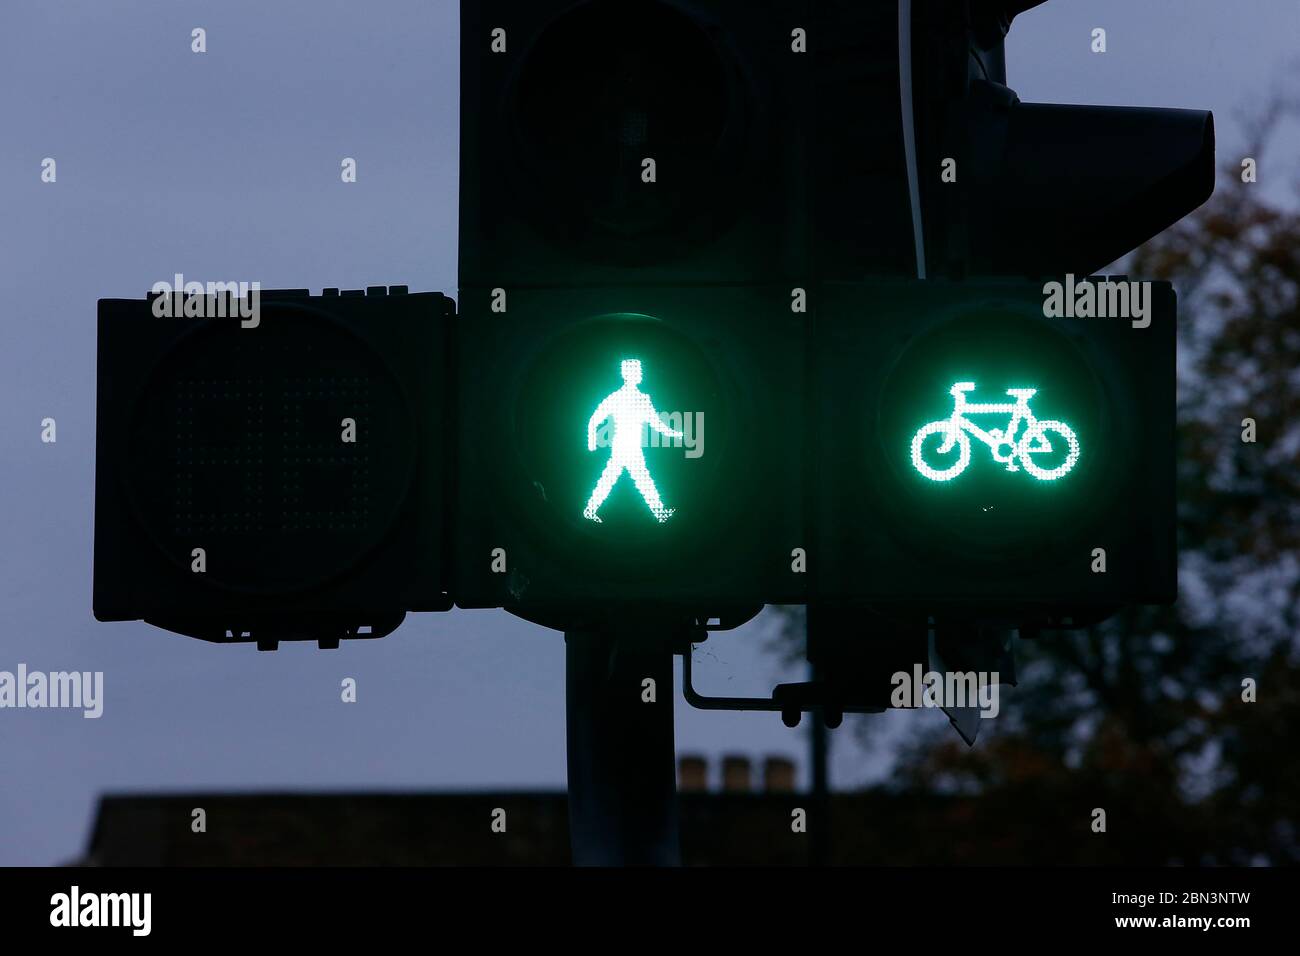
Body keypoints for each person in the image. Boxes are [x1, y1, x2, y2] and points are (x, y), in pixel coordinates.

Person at [583, 359, 683, 523]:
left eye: (640, 371)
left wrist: (674, 434)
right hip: (623, 446)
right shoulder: (616, 398)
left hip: (631, 446)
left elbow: (656, 423)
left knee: (621, 479)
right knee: (635, 479)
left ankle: (590, 509)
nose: (640, 373)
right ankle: (659, 513)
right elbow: (594, 419)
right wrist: (591, 442)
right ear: (628, 374)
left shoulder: (643, 399)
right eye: (637, 371)